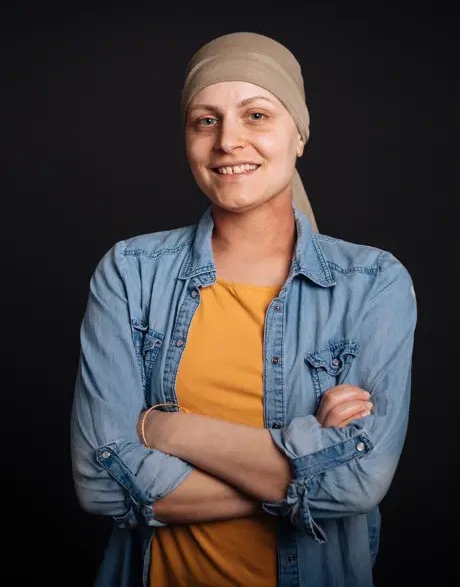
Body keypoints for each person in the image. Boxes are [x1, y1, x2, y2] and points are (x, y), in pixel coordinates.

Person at [70, 31, 417, 587]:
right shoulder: (130, 272)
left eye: (256, 115)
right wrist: (304, 469)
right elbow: (100, 483)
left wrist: (165, 430)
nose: (228, 141)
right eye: (205, 120)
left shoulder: (372, 284)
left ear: (298, 135)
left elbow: (358, 481)